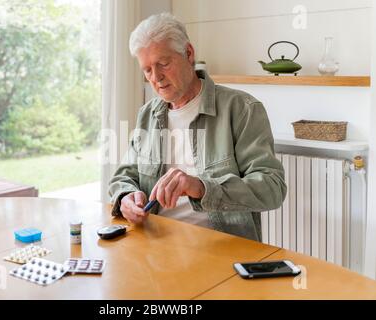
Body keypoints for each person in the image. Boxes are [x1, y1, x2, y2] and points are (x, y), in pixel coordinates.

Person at [108, 13, 286, 241]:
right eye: (147, 70)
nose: (156, 77)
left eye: (163, 64)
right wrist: (126, 196)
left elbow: (272, 189)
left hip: (220, 246)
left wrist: (201, 187)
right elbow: (125, 174)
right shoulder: (148, 114)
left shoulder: (242, 108)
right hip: (155, 242)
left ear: (188, 54)